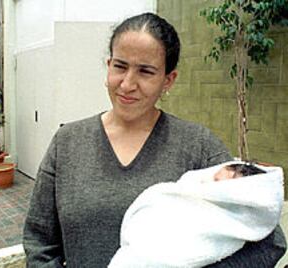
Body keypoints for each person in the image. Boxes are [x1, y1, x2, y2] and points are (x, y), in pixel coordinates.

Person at [23, 12, 287, 268]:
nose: (127, 84)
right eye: (120, 66)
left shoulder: (198, 147)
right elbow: (39, 242)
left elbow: (271, 242)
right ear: (108, 66)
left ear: (168, 80)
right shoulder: (68, 142)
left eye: (145, 71)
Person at [109, 161, 284, 267]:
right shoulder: (175, 192)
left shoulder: (229, 219)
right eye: (216, 178)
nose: (214, 185)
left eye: (224, 186)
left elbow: (276, 242)